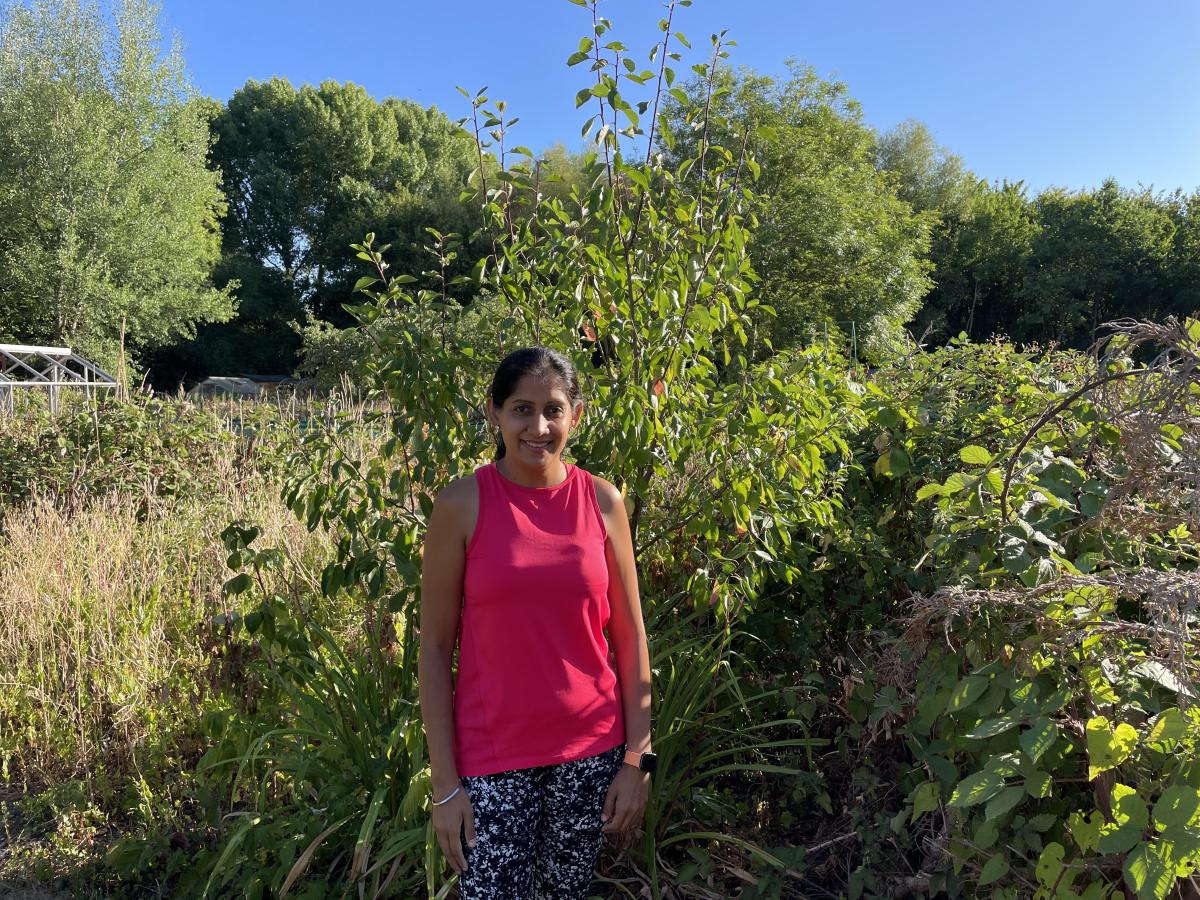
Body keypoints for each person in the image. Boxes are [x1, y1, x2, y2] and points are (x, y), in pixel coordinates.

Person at [418, 346, 655, 899]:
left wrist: (637, 760)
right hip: (492, 760)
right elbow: (433, 647)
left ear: (576, 412)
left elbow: (630, 636)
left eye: (553, 409)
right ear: (493, 413)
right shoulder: (462, 504)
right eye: (521, 409)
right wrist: (445, 785)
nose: (539, 426)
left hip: (591, 755)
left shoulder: (603, 501)